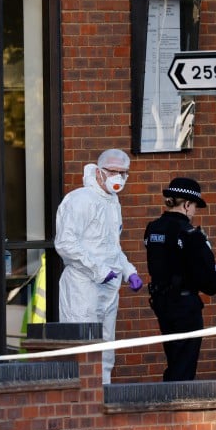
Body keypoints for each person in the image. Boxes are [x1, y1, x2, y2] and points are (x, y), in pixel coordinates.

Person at [55, 148, 143, 384]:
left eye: (123, 173)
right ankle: (80, 406)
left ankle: (102, 398)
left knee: (105, 348)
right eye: (113, 171)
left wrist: (128, 271)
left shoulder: (113, 202)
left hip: (108, 287)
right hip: (82, 287)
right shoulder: (80, 200)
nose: (119, 178)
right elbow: (65, 243)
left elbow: (111, 246)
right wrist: (97, 269)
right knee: (82, 350)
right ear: (99, 171)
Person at [144, 177, 216, 381]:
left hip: (161, 302)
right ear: (186, 204)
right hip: (184, 306)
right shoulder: (190, 234)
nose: (194, 212)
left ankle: (168, 399)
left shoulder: (153, 228)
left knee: (174, 357)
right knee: (184, 363)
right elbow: (208, 281)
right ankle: (174, 406)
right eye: (194, 207)